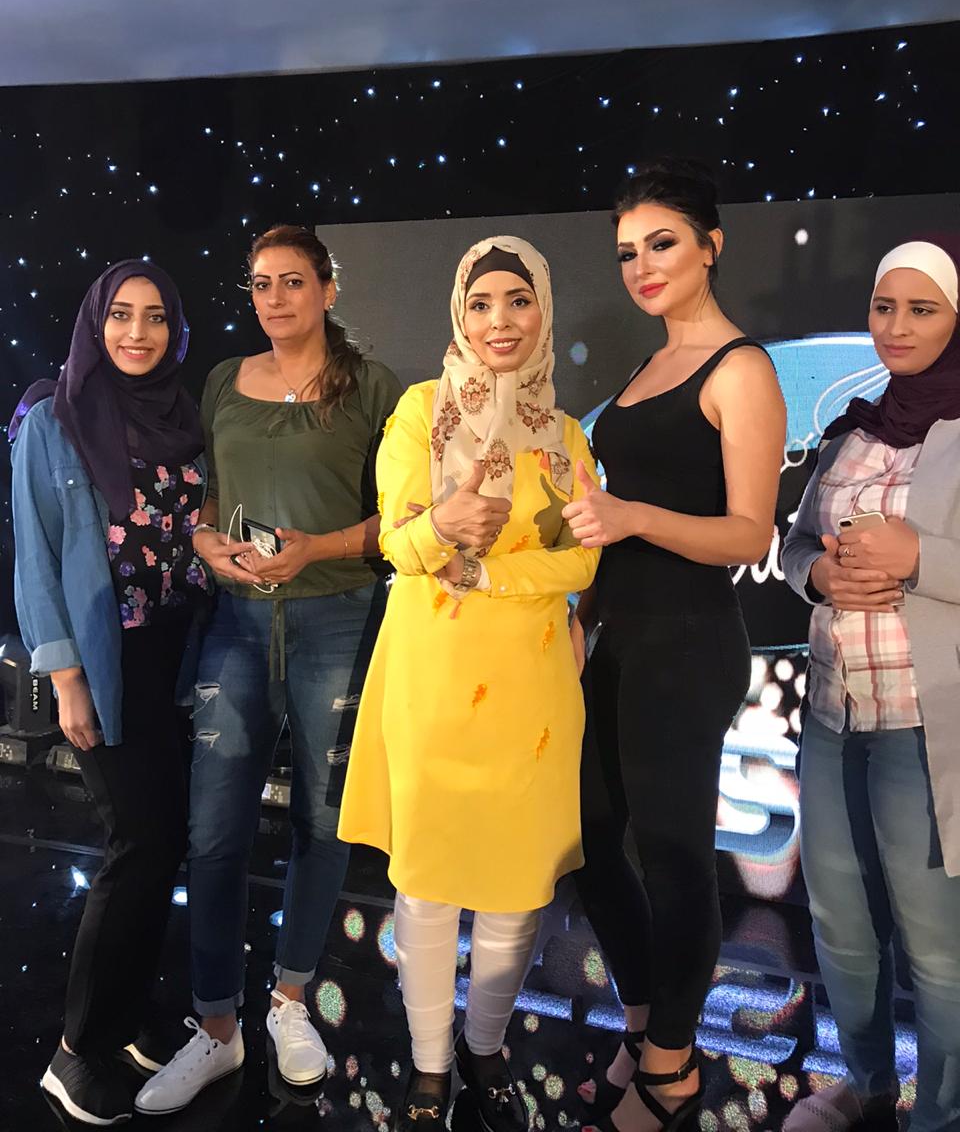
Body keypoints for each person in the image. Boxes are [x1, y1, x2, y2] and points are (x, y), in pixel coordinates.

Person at [135, 225, 401, 1115]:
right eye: (260, 283)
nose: (275, 298)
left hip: (340, 619)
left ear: (328, 288)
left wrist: (317, 547)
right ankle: (217, 1028)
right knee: (214, 831)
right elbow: (209, 496)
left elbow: (404, 517)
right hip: (238, 627)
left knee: (325, 823)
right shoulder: (222, 380)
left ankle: (289, 1001)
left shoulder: (375, 388)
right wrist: (207, 538)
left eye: (292, 281)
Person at [338, 235, 600, 1131]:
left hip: (531, 691)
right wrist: (442, 526)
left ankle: (485, 1048)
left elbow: (582, 564)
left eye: (518, 302)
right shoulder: (421, 411)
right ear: (459, 312)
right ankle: (429, 1065)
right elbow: (396, 544)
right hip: (434, 680)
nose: (499, 321)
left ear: (543, 312)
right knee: (428, 882)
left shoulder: (565, 436)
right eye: (481, 302)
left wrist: (489, 572)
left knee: (515, 886)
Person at [563, 158, 785, 1132]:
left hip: (688, 643)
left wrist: (632, 515)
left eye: (662, 243)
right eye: (627, 252)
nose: (643, 266)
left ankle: (672, 1067)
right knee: (586, 843)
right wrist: (583, 612)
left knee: (673, 854)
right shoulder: (647, 366)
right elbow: (611, 518)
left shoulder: (741, 368)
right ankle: (647, 1018)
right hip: (617, 636)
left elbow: (748, 533)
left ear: (711, 246)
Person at [10, 260, 209, 1126]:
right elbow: (35, 557)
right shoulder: (52, 419)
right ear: (96, 323)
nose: (138, 332)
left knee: (163, 846)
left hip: (175, 655)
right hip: (102, 660)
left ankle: (125, 1021)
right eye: (121, 315)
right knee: (138, 841)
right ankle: (77, 1050)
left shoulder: (182, 415)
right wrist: (66, 680)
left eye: (155, 316)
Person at [781, 241, 960, 1132]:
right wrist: (817, 574)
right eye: (885, 307)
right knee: (842, 928)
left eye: (922, 310)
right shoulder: (853, 427)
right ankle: (866, 1085)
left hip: (925, 726)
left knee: (936, 946)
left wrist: (918, 554)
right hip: (831, 717)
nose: (897, 326)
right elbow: (793, 546)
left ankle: (940, 1113)